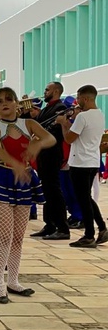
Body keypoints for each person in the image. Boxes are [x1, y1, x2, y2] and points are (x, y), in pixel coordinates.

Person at [0, 87, 55, 303]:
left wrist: (37, 144)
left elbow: (50, 138)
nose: (4, 103)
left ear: (16, 103)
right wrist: (16, 164)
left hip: (23, 181)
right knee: (4, 234)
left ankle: (13, 280)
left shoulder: (28, 124)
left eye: (9, 99)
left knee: (18, 236)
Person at [57, 85, 108, 248]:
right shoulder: (100, 114)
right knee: (86, 198)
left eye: (78, 98)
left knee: (83, 199)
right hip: (92, 161)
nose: (77, 101)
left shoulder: (82, 117)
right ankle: (102, 228)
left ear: (86, 98)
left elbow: (69, 139)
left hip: (80, 162)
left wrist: (64, 123)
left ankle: (89, 235)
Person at [29, 82, 70, 240]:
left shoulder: (60, 108)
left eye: (47, 90)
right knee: (46, 189)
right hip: (43, 154)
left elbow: (55, 132)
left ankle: (62, 227)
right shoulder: (47, 109)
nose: (44, 92)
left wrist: (40, 136)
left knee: (54, 190)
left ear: (56, 91)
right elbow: (37, 125)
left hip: (52, 153)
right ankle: (50, 224)